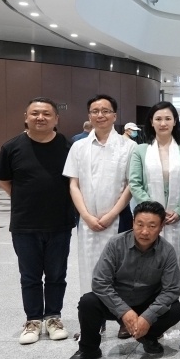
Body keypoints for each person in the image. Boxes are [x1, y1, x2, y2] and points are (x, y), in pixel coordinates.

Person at [64, 201, 180, 359]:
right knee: (88, 302)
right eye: (140, 224)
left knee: (176, 309)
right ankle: (88, 349)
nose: (145, 231)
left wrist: (147, 316)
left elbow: (171, 290)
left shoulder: (167, 251)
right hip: (116, 302)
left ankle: (148, 337)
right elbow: (100, 282)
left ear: (161, 227)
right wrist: (124, 311)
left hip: (147, 302)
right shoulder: (116, 244)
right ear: (132, 222)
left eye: (152, 226)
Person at [0, 97, 76, 345]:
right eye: (35, 113)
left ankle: (53, 318)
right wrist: (26, 199)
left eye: (46, 114)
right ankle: (32, 320)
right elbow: (4, 181)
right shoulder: (11, 147)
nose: (40, 117)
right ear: (26, 117)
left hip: (60, 222)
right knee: (29, 276)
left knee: (56, 274)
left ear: (56, 119)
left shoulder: (68, 146)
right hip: (25, 224)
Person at [64, 95, 136, 298]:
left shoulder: (129, 147)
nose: (100, 115)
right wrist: (86, 216)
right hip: (87, 220)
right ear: (89, 116)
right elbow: (73, 184)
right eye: (95, 111)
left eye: (105, 111)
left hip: (119, 218)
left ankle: (121, 315)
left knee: (121, 268)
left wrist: (112, 214)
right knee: (89, 268)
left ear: (114, 116)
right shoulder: (78, 146)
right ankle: (93, 315)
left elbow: (131, 184)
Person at [127, 101, 180, 266]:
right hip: (148, 218)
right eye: (158, 119)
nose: (163, 123)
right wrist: (155, 211)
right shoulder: (140, 150)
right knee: (146, 265)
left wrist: (179, 211)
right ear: (151, 122)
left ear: (175, 121)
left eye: (168, 118)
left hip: (177, 219)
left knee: (173, 265)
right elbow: (135, 183)